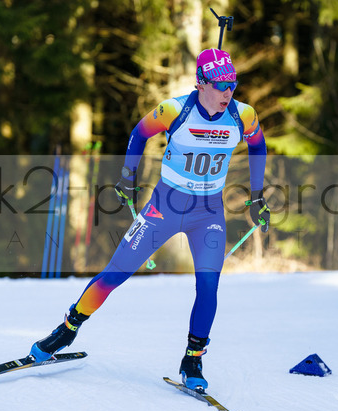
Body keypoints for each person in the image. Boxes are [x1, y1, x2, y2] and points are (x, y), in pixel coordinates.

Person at [30, 48, 270, 391]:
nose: (227, 92)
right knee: (116, 272)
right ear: (201, 83)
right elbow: (139, 133)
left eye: (232, 84)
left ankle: (193, 359)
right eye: (220, 85)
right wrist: (128, 177)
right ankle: (67, 329)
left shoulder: (243, 115)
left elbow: (259, 146)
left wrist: (257, 196)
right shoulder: (174, 110)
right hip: (165, 206)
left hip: (208, 213)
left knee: (208, 285)